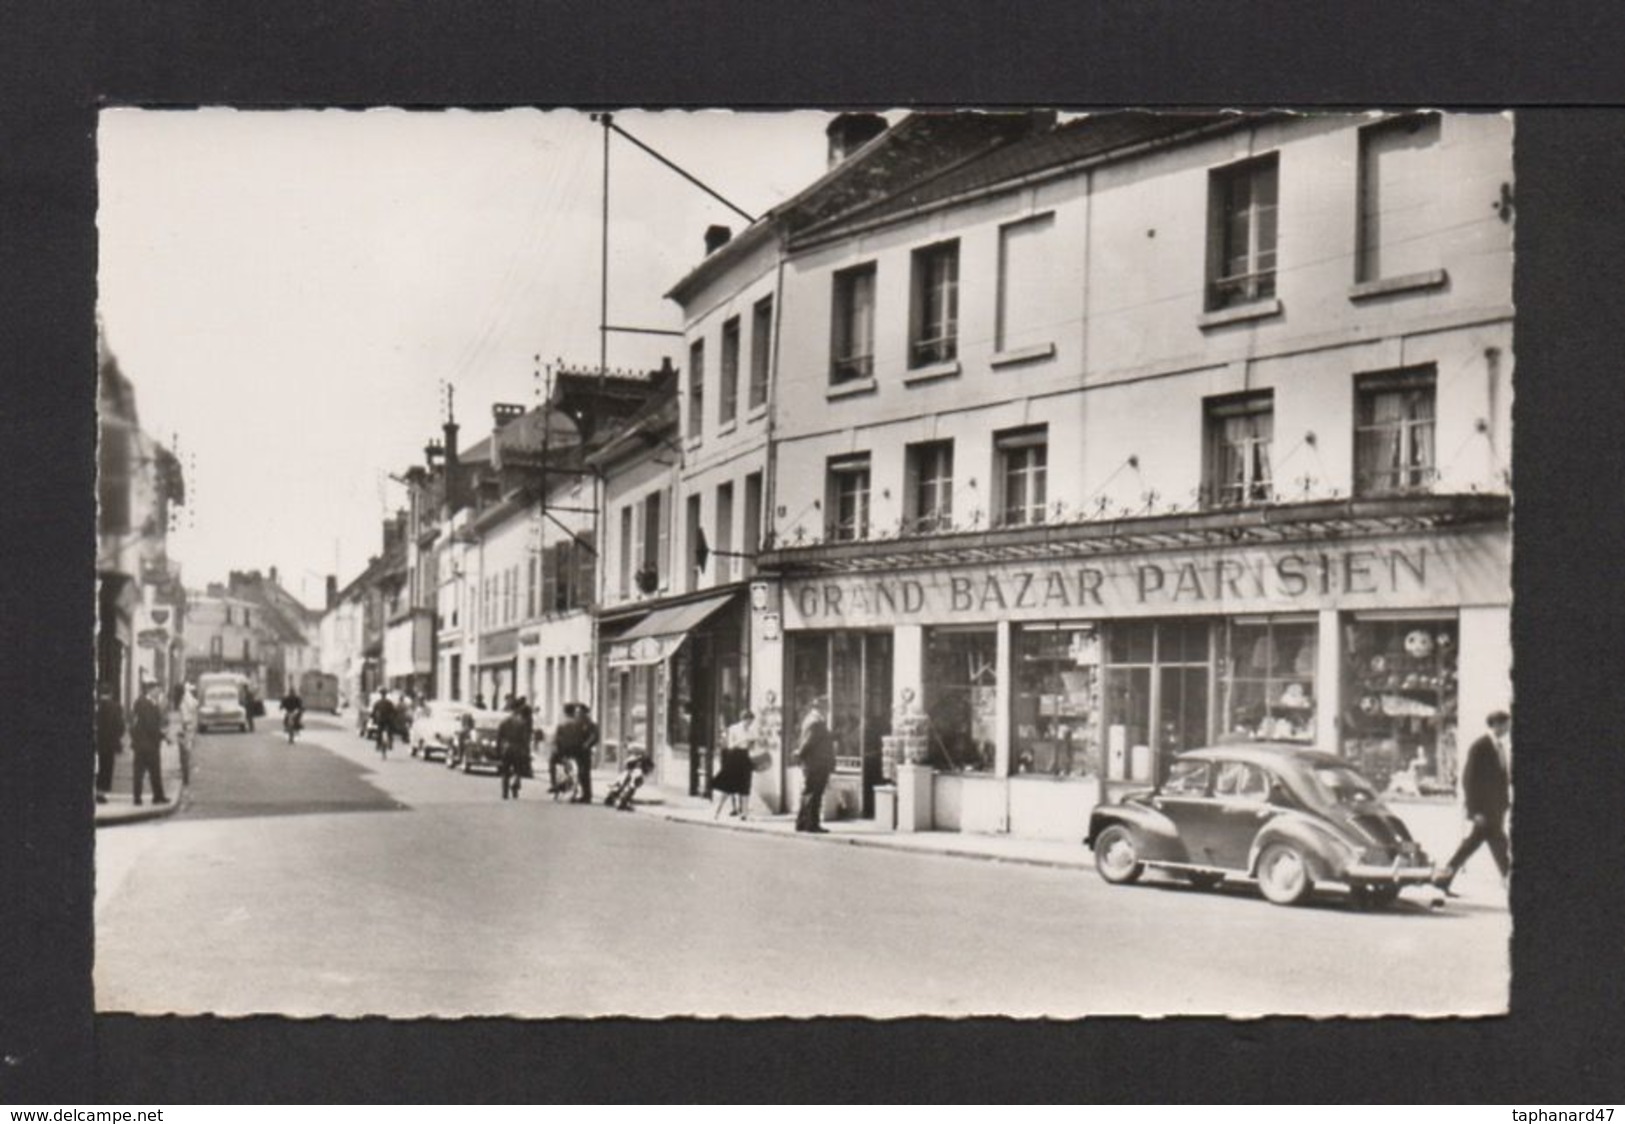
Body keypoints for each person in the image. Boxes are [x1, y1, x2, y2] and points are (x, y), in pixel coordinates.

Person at [1434, 710, 1512, 896]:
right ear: (1497, 725)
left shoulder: (1499, 747)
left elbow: (1501, 778)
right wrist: (1475, 810)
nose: (1509, 728)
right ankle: (1510, 880)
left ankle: (1443, 879)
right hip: (1484, 812)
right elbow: (1469, 780)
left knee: (1475, 846)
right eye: (1507, 724)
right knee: (1499, 846)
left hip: (1495, 810)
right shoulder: (1480, 747)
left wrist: (1504, 803)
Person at [793, 696, 834, 833]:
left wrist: (801, 757)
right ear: (821, 708)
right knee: (814, 794)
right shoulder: (816, 722)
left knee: (808, 793)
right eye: (826, 707)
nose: (827, 710)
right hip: (816, 764)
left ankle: (802, 823)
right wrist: (801, 755)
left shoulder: (810, 720)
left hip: (812, 763)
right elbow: (808, 743)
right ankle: (812, 824)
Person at [129, 681, 169, 806]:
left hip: (139, 744)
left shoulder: (140, 702)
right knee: (154, 771)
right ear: (150, 690)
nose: (159, 693)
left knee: (139, 772)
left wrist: (134, 739)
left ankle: (137, 797)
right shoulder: (147, 705)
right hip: (149, 744)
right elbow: (151, 726)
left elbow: (133, 723)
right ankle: (158, 796)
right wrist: (163, 736)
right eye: (158, 690)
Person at [711, 710, 757, 819]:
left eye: (751, 722)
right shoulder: (734, 728)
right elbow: (730, 745)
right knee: (729, 787)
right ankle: (717, 812)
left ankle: (745, 814)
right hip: (734, 757)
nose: (749, 724)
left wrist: (751, 743)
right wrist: (742, 740)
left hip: (745, 757)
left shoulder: (751, 731)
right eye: (748, 721)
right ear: (744, 719)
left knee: (745, 785)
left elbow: (752, 748)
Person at [95, 681, 125, 804]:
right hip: (109, 744)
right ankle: (101, 793)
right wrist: (117, 738)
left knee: (96, 768)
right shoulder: (116, 707)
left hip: (96, 743)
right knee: (106, 768)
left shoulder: (96, 706)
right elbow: (120, 726)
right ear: (111, 693)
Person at [497, 698, 532, 799]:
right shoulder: (522, 723)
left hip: (507, 748)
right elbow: (525, 739)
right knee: (518, 769)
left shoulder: (504, 722)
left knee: (505, 771)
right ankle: (515, 785)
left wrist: (499, 750)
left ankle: (504, 793)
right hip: (518, 749)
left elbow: (499, 737)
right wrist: (526, 750)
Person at [568, 704, 599, 804]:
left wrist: (587, 744)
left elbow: (595, 736)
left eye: (579, 712)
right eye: (576, 712)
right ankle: (581, 794)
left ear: (585, 713)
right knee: (578, 773)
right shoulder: (575, 724)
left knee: (584, 773)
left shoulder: (590, 724)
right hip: (576, 751)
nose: (577, 714)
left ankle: (587, 795)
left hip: (585, 752)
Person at [548, 703, 580, 797]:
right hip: (576, 750)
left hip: (563, 750)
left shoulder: (561, 724)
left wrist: (555, 747)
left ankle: (553, 784)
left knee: (552, 762)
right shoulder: (578, 723)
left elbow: (556, 739)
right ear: (574, 712)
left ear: (564, 712)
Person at [177, 682, 198, 785]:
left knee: (186, 749)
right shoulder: (188, 697)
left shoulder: (185, 698)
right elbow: (193, 706)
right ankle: (186, 770)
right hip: (188, 724)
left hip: (187, 724)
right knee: (187, 748)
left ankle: (185, 769)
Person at [371, 689, 397, 757]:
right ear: (386, 695)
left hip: (380, 721)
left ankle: (378, 745)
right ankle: (390, 743)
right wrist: (393, 717)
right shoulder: (389, 703)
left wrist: (374, 719)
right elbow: (394, 712)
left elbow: (373, 712)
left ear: (381, 695)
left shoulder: (377, 703)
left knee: (379, 732)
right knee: (390, 732)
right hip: (388, 721)